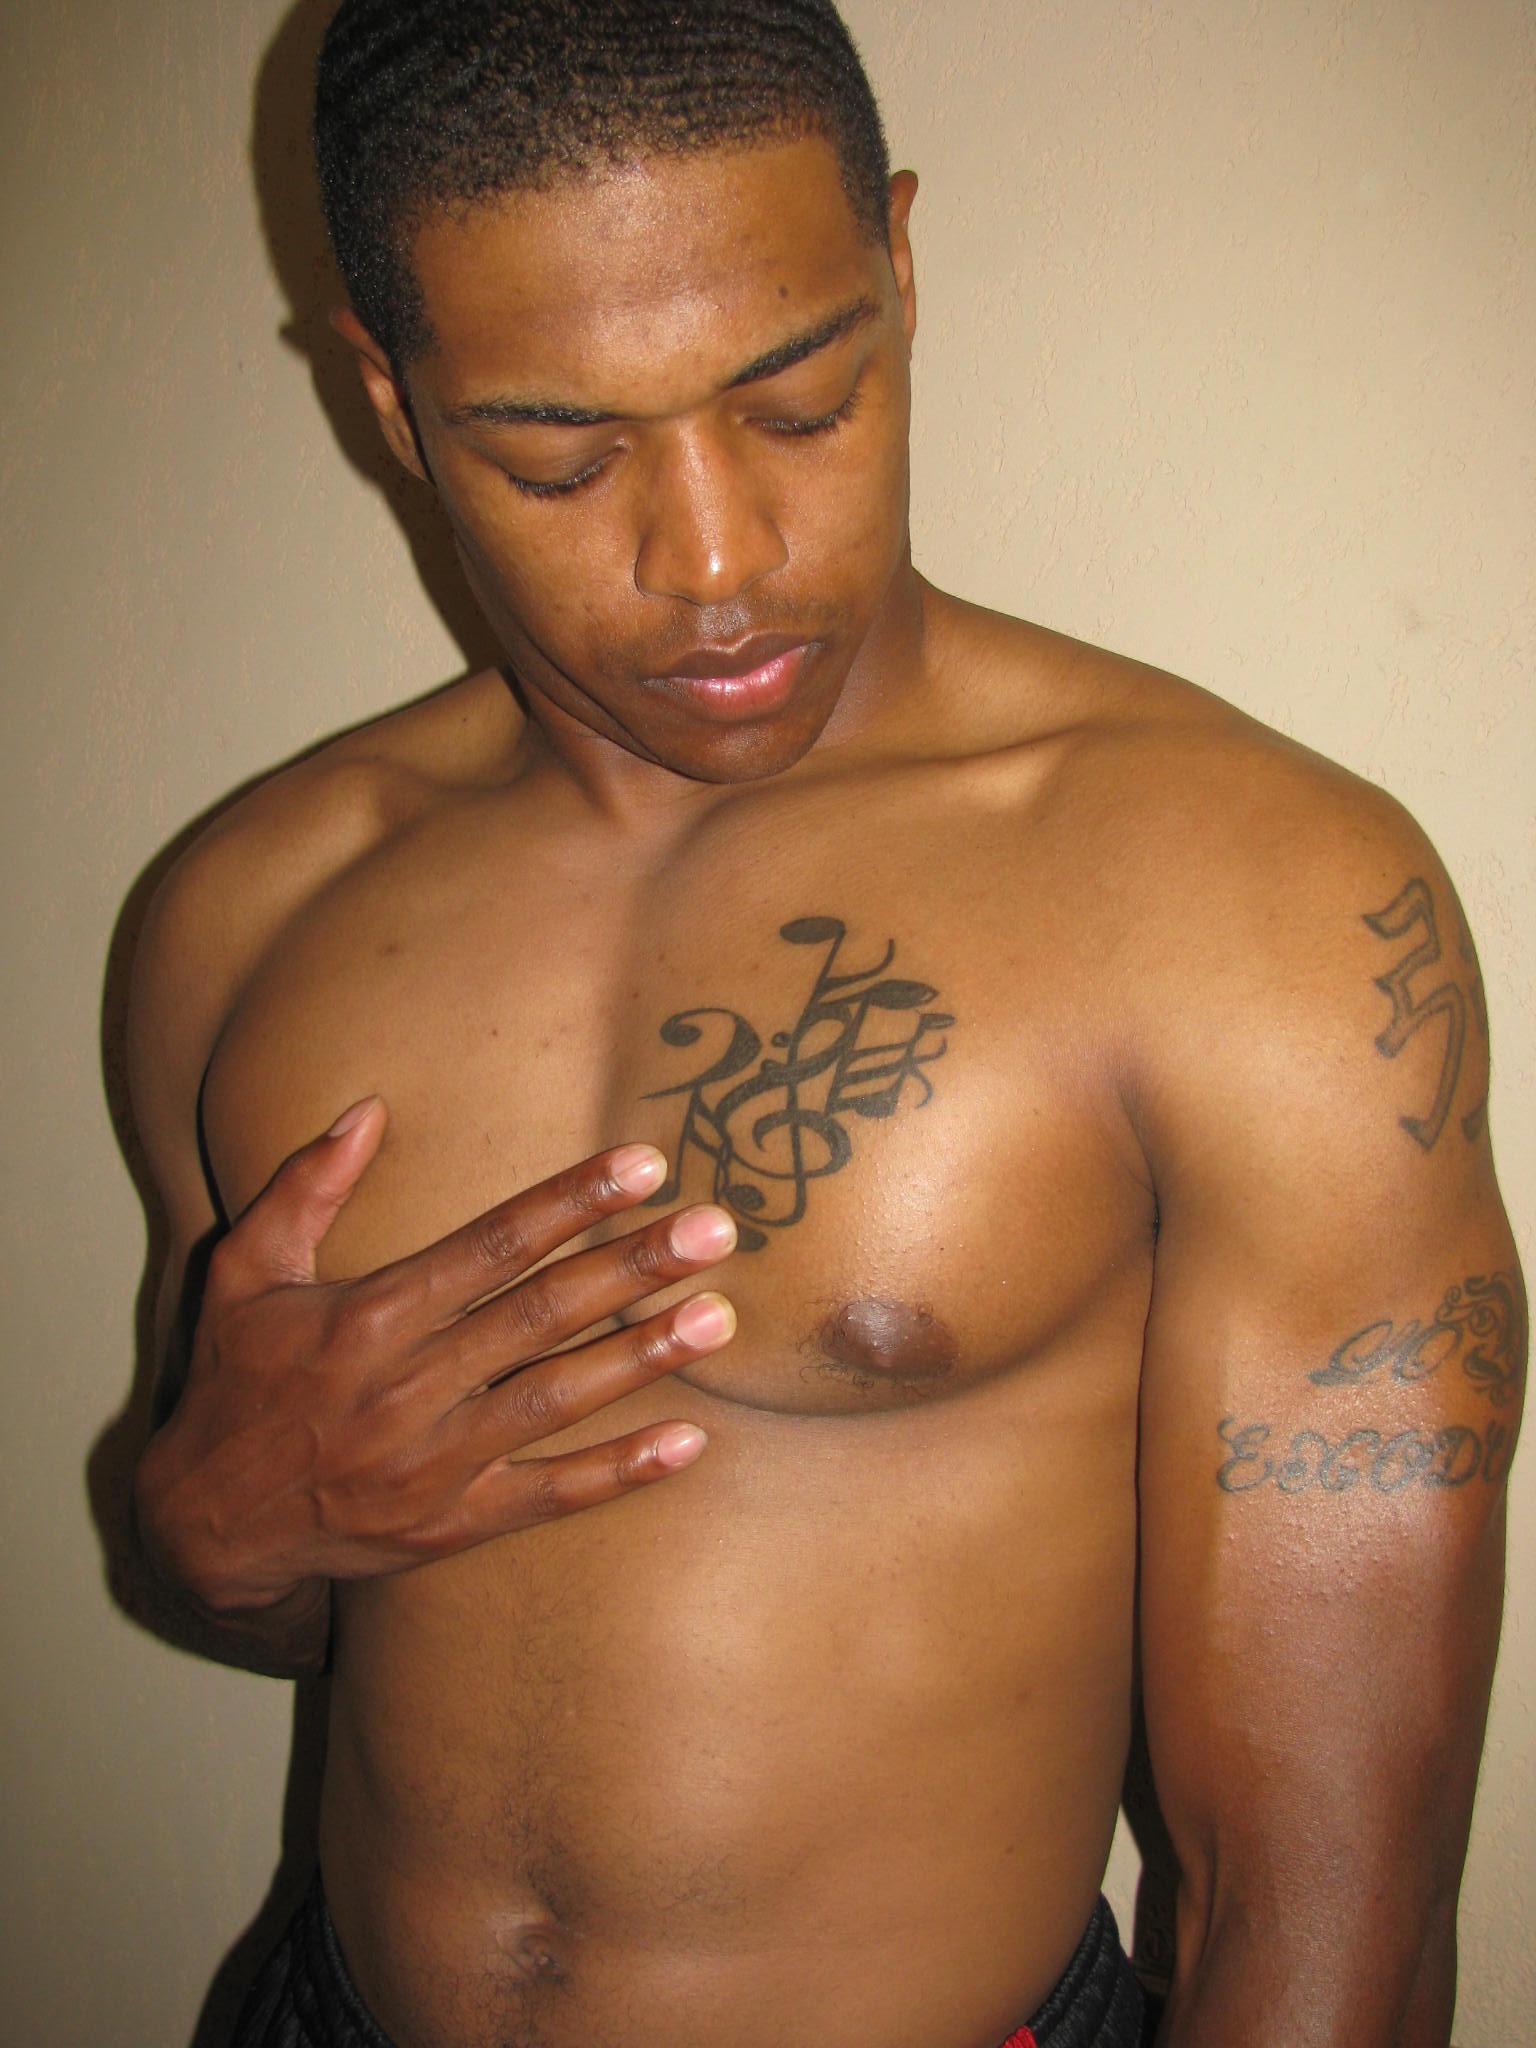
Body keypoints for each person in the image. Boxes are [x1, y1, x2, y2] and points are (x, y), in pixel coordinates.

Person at [126, 2, 1525, 2044]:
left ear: (902, 265)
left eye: (798, 403)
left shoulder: (1257, 903)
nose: (715, 559)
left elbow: (1327, 1917)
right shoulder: (248, 912)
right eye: (557, 455)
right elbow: (266, 1599)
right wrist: (211, 1530)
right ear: (390, 402)